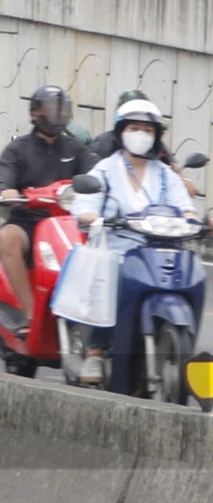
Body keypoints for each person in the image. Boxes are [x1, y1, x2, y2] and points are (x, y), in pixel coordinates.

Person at [68, 99, 208, 386]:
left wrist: (194, 219)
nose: (142, 134)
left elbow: (185, 207)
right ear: (122, 132)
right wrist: (89, 214)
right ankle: (96, 350)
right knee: (110, 277)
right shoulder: (105, 170)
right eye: (135, 128)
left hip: (163, 250)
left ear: (156, 135)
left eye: (148, 129)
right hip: (118, 249)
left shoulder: (166, 175)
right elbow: (86, 200)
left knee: (193, 275)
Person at [0, 85, 96, 333]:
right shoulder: (17, 149)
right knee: (8, 238)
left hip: (68, 222)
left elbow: (97, 177)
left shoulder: (76, 150)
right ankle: (30, 314)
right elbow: (0, 183)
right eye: (50, 109)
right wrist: (7, 192)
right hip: (29, 220)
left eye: (62, 109)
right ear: (35, 114)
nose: (57, 114)